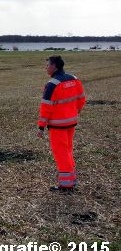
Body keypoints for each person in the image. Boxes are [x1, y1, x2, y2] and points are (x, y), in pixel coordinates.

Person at [37, 55, 86, 192]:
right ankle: (71, 180)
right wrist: (74, 112)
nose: (46, 68)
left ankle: (66, 185)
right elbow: (81, 100)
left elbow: (46, 108)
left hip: (57, 126)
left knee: (61, 153)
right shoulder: (74, 79)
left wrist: (41, 127)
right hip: (71, 122)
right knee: (68, 150)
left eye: (47, 65)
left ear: (54, 66)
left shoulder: (52, 84)